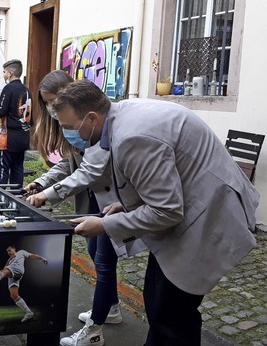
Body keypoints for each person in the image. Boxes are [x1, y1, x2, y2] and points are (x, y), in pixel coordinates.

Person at [53, 80, 258, 345]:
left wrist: (105, 225)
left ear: (91, 117)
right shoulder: (120, 116)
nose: (68, 133)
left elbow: (167, 211)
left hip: (207, 217)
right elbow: (161, 181)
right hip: (193, 209)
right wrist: (127, 206)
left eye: (69, 127)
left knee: (171, 313)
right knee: (160, 305)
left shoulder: (132, 137)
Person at [24, 71, 144, 346]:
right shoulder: (72, 126)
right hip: (91, 199)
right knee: (96, 254)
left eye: (53, 101)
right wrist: (40, 182)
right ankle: (111, 308)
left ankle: (94, 331)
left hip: (110, 201)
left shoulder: (98, 123)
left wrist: (47, 195)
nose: (51, 110)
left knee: (104, 260)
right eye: (46, 104)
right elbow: (69, 163)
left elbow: (89, 171)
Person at [0, 59, 32, 187]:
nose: (3, 75)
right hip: (23, 138)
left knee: (2, 174)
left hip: (8, 140)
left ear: (11, 73)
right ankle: (16, 201)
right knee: (17, 171)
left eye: (4, 72)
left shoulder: (8, 89)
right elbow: (30, 118)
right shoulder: (27, 90)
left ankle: (1, 202)